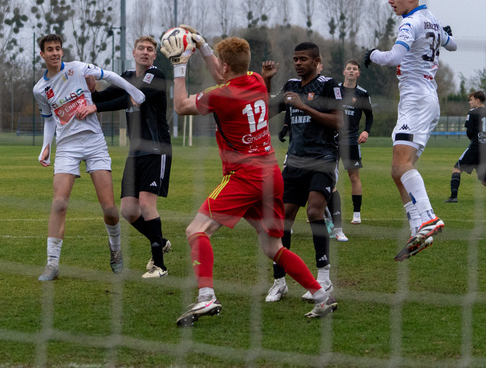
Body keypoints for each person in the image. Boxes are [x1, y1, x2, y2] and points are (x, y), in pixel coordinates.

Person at [164, 35, 337, 326]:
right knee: (273, 248)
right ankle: (321, 296)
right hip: (270, 174)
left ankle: (206, 296)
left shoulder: (220, 95)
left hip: (244, 176)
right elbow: (225, 72)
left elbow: (181, 105)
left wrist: (179, 65)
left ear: (226, 64)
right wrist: (205, 47)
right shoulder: (256, 79)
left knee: (196, 230)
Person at [34, 34, 146, 281]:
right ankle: (52, 264)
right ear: (42, 55)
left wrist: (134, 92)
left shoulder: (77, 69)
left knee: (108, 207)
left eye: (58, 49)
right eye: (49, 49)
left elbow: (111, 75)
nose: (55, 53)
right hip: (67, 147)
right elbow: (49, 119)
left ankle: (115, 249)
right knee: (59, 203)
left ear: (62, 52)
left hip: (94, 143)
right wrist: (46, 147)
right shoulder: (40, 89)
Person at [364, 0, 457, 261]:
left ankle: (428, 217)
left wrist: (372, 55)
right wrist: (444, 34)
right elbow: (453, 45)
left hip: (416, 101)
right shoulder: (431, 19)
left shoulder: (411, 22)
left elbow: (393, 57)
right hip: (425, 101)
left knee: (401, 164)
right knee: (397, 170)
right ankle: (417, 226)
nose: (390, 0)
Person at [262, 42, 342, 303]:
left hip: (323, 159)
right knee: (282, 218)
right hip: (295, 162)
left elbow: (338, 121)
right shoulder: (291, 87)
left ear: (316, 60)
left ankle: (323, 278)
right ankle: (279, 281)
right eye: (295, 59)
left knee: (314, 211)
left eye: (303, 59)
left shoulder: (329, 86)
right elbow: (264, 111)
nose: (298, 63)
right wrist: (266, 81)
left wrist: (304, 107)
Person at [89, 35, 173, 278]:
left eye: (150, 49)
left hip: (156, 149)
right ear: (133, 53)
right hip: (135, 152)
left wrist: (96, 107)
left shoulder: (156, 76)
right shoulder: (126, 76)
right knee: (128, 210)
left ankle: (160, 266)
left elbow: (130, 97)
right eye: (141, 48)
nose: (145, 52)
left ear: (154, 56)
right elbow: (106, 96)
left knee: (147, 204)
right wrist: (93, 92)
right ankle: (160, 241)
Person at [338, 59, 374, 227]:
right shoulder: (334, 89)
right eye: (348, 68)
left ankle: (357, 214)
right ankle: (322, 213)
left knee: (354, 177)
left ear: (358, 73)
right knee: (327, 176)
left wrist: (366, 131)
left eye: (354, 69)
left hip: (351, 140)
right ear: (344, 72)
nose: (351, 71)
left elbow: (370, 115)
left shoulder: (362, 94)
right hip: (332, 139)